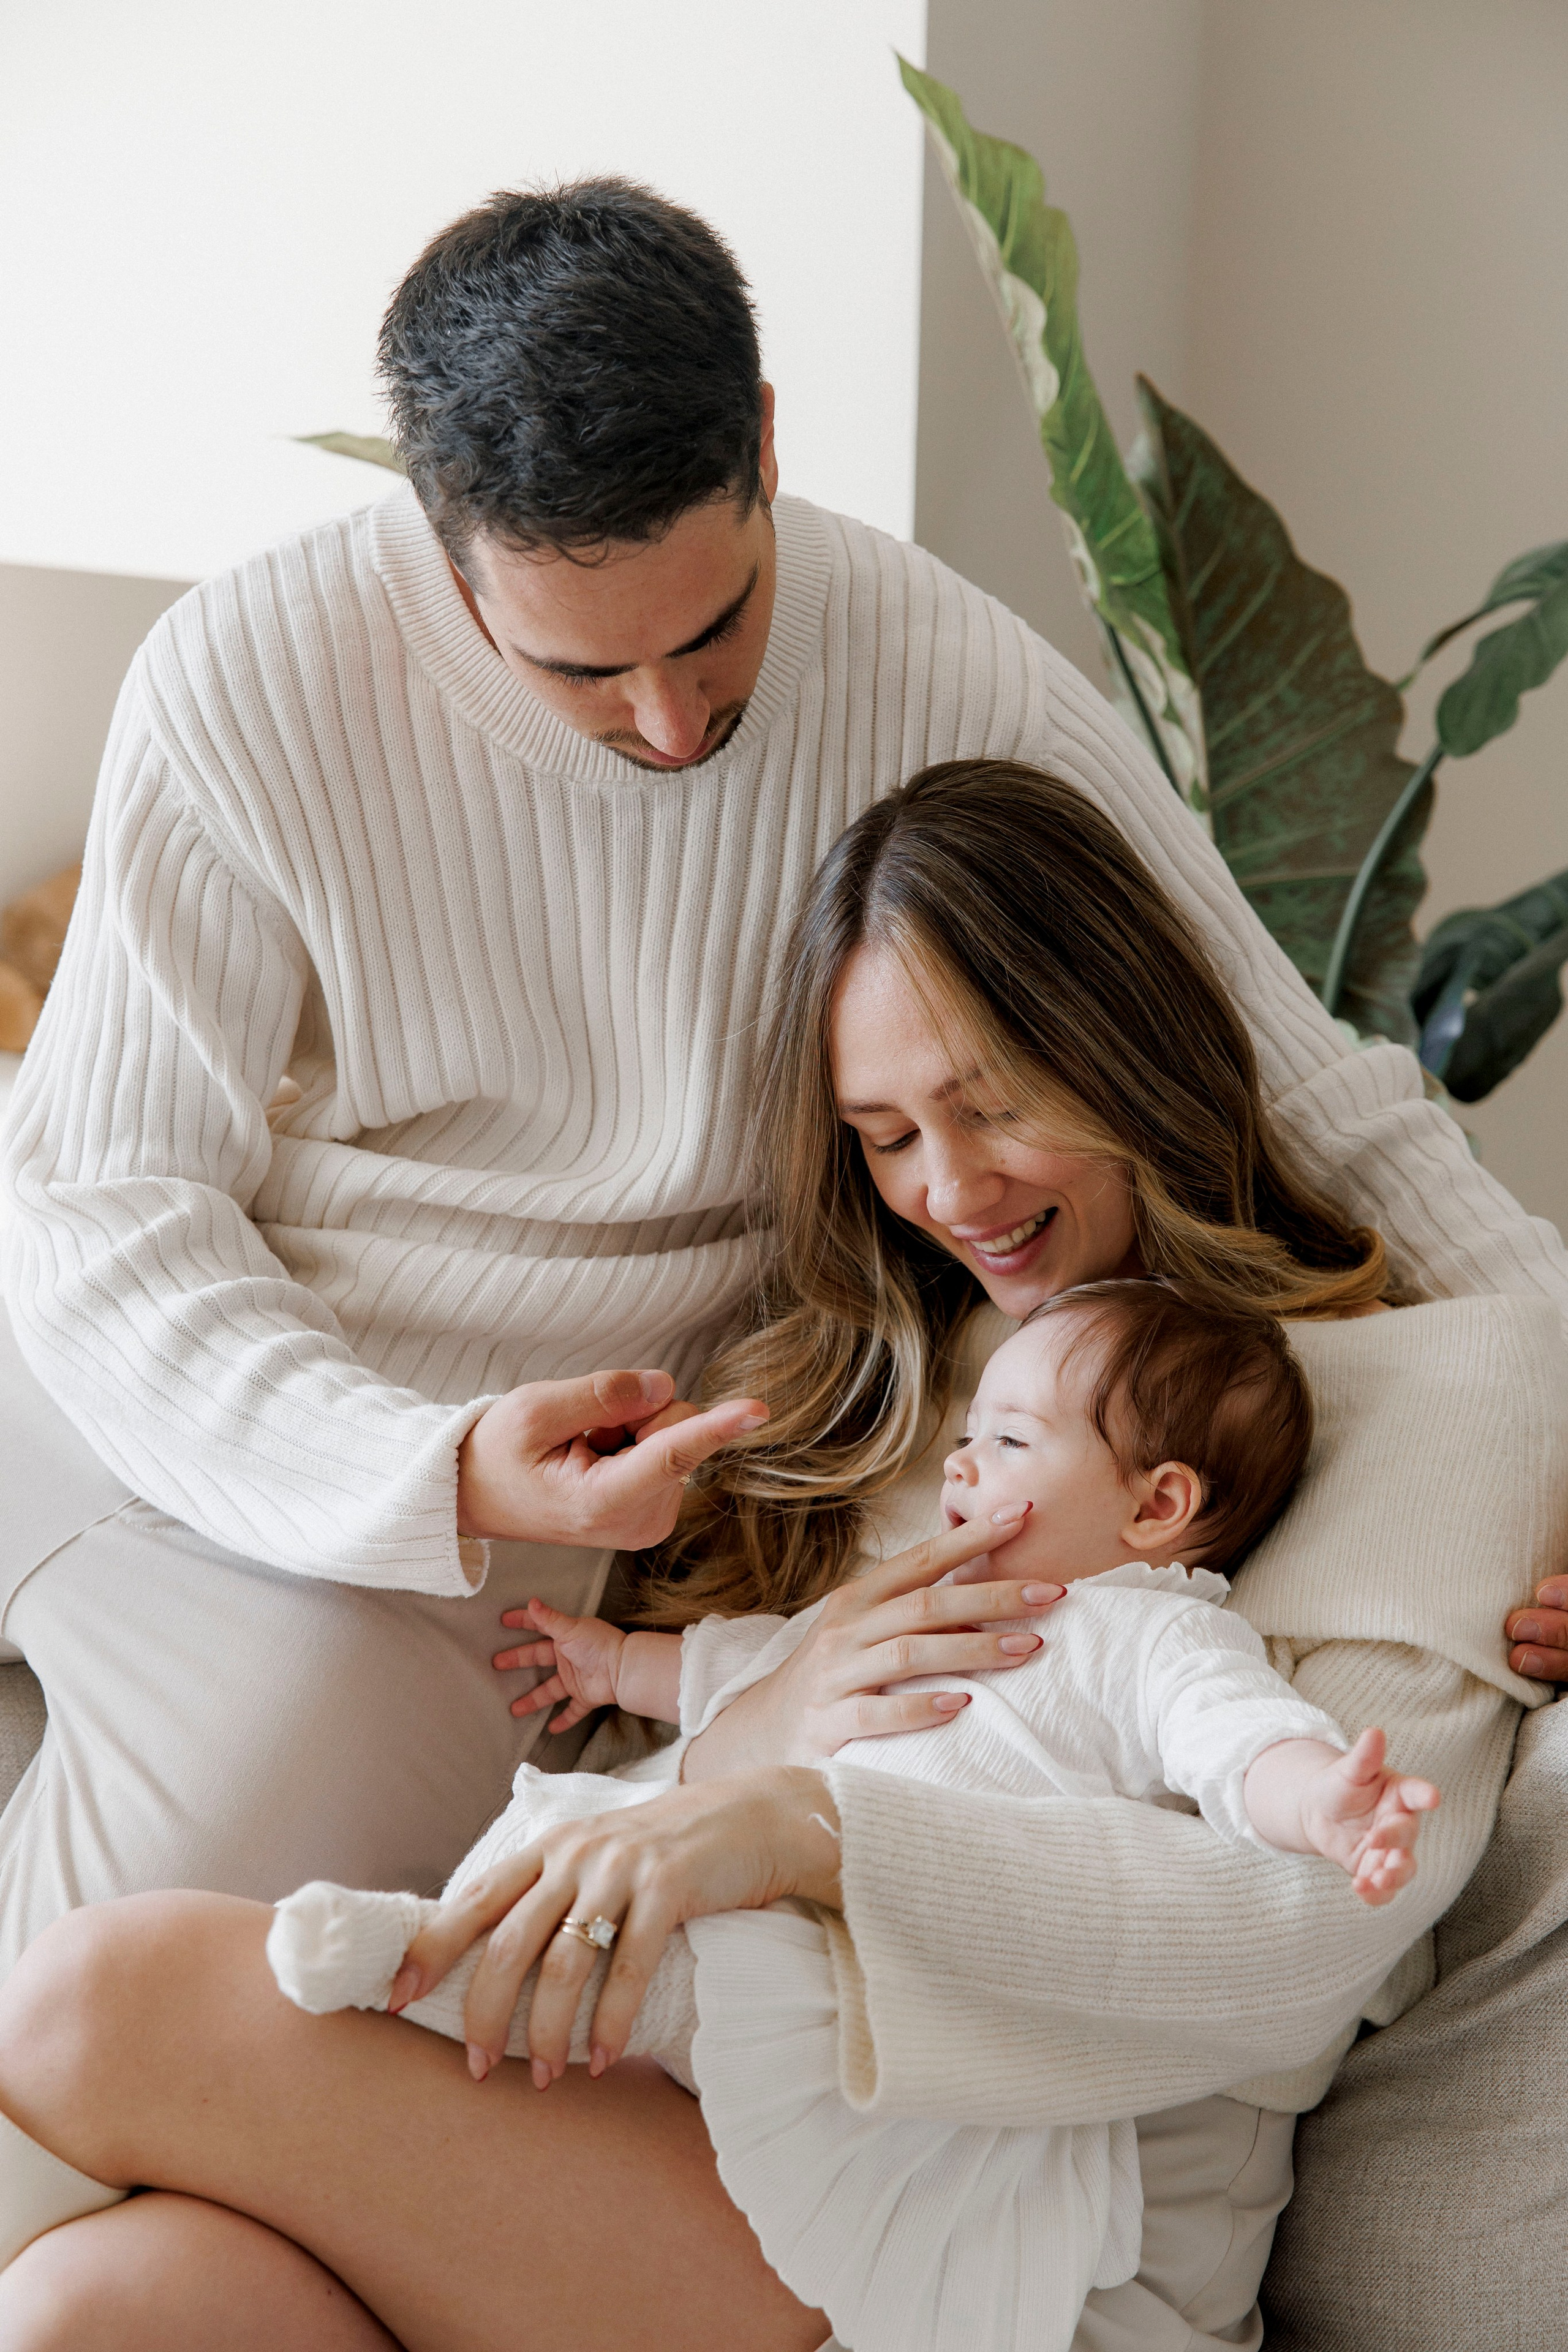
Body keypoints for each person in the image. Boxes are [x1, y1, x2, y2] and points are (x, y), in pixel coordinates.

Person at [0, 761, 1553, 2352]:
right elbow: (681, 1819)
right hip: (710, 2118)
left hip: (1009, 2253)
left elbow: (1315, 1932)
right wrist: (756, 1737)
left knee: (95, 2005)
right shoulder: (866, 1400)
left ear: (1127, 1052)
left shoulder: (1442, 1400)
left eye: (994, 1106)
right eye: (886, 1135)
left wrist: (808, 1830)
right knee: (98, 2306)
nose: (949, 1190)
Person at [256, 1282, 1439, 2352]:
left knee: (680, 1962)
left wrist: (1321, 1801)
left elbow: (1236, 1740)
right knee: (611, 1893)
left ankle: (424, 1963)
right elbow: (758, 1668)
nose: (962, 1466)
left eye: (1010, 1442)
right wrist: (618, 1669)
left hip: (870, 1964)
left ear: (1157, 1504)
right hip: (759, 1902)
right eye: (967, 1436)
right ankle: (443, 1959)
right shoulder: (923, 1591)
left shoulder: (1152, 1634)